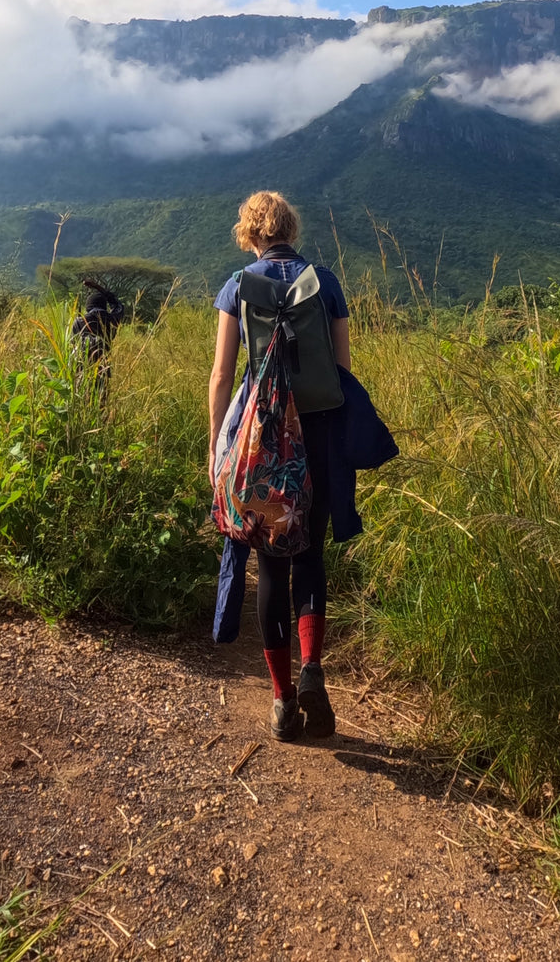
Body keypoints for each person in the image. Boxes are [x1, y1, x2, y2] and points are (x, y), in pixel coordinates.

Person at [209, 191, 350, 743]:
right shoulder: (326, 282)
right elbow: (340, 373)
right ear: (290, 227)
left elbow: (223, 377)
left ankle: (282, 700)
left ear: (250, 234)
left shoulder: (236, 287)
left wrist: (217, 450)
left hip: (261, 438)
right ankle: (313, 667)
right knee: (311, 555)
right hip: (316, 432)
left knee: (270, 566)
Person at [71, 277, 124, 393]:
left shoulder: (79, 322)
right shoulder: (113, 320)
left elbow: (72, 345)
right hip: (103, 367)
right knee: (101, 400)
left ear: (88, 307)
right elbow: (118, 305)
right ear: (104, 306)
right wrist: (97, 287)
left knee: (82, 397)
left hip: (82, 368)